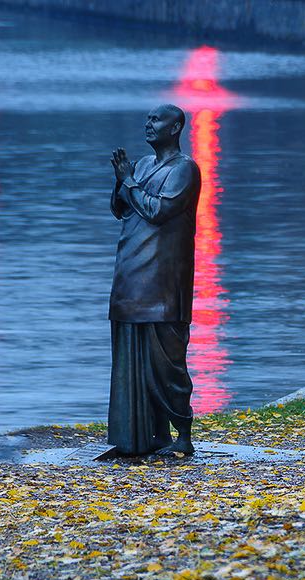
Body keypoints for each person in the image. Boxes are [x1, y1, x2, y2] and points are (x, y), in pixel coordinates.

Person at [107, 104, 202, 456]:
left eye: (156, 120)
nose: (148, 124)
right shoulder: (143, 166)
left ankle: (183, 434)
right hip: (130, 276)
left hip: (162, 284)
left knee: (168, 364)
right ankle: (146, 433)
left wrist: (128, 181)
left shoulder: (185, 170)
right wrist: (121, 180)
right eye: (146, 118)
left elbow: (158, 211)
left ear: (175, 127)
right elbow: (122, 209)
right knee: (133, 361)